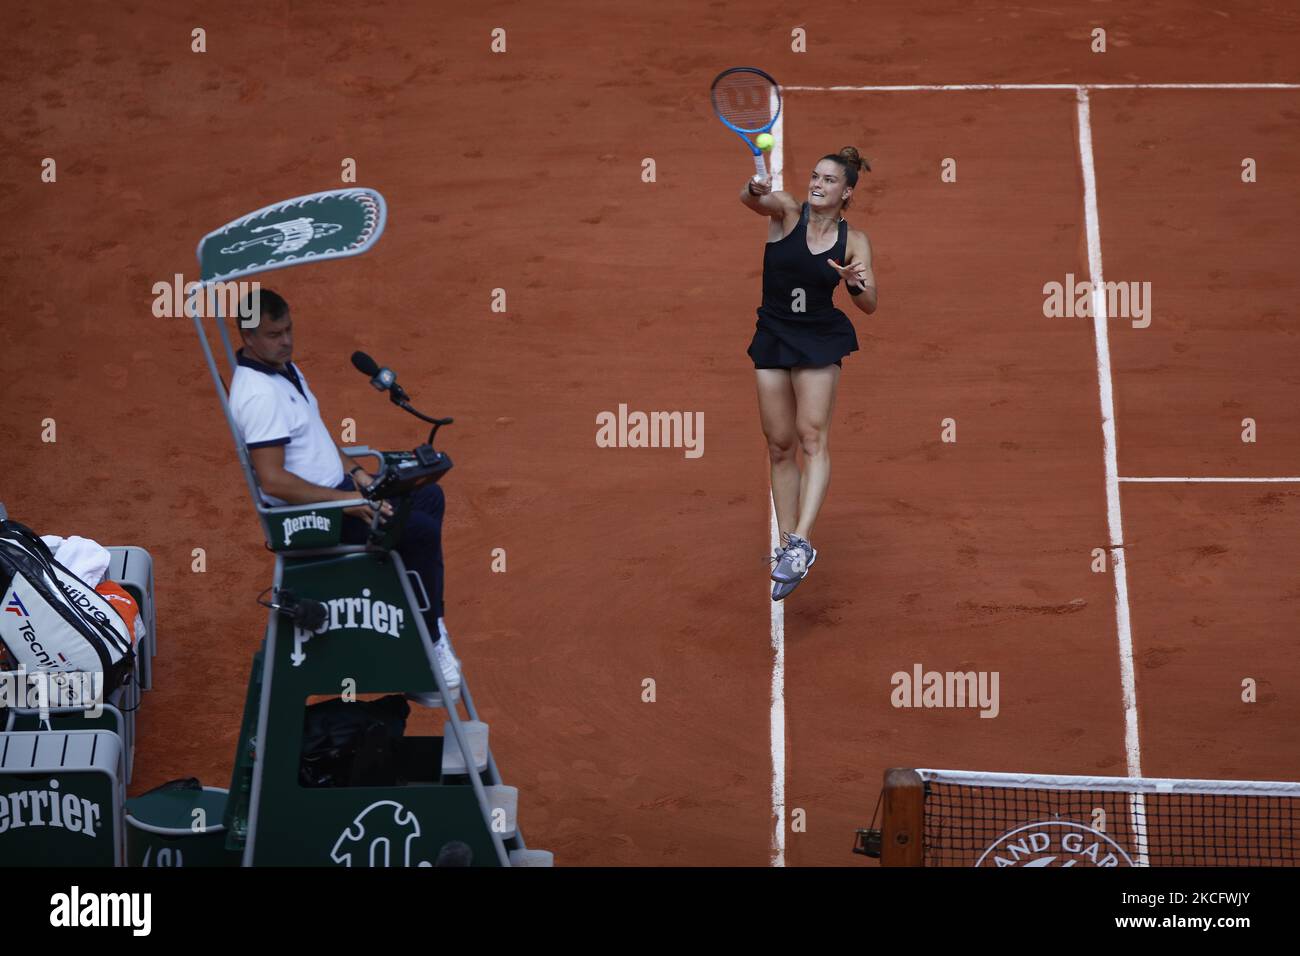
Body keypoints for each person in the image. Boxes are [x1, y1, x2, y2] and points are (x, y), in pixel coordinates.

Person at [227, 289, 461, 695]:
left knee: (427, 496)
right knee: (418, 533)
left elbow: (315, 437)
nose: (286, 341)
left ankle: (423, 619)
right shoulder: (259, 395)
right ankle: (427, 648)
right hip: (311, 520)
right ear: (248, 337)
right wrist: (348, 503)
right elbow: (273, 480)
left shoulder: (283, 370)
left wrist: (357, 474)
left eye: (289, 329)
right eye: (274, 334)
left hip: (339, 496)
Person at [742, 146, 878, 601]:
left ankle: (801, 542)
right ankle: (788, 546)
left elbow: (870, 303)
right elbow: (752, 200)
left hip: (819, 338)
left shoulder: (855, 240)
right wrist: (753, 188)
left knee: (811, 436)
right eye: (816, 177)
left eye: (829, 180)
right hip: (773, 334)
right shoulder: (786, 212)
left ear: (847, 192)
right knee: (779, 445)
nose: (817, 184)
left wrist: (854, 282)